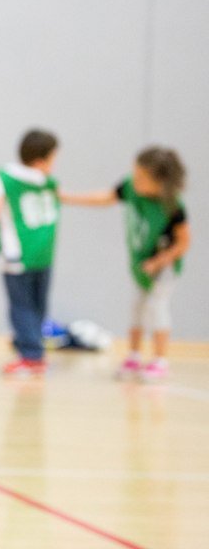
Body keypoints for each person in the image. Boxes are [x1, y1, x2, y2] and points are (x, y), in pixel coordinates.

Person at [61, 146, 189, 382]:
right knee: (136, 308)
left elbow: (183, 243)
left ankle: (160, 360)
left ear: (160, 182)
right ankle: (133, 355)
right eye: (135, 174)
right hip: (140, 263)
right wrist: (67, 197)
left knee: (157, 307)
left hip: (164, 266)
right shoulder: (131, 188)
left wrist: (158, 262)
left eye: (142, 178)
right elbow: (106, 198)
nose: (135, 180)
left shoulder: (173, 205)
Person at [0, 129, 61, 377]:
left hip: (18, 255)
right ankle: (33, 351)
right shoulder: (47, 181)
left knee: (22, 305)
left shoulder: (1, 176)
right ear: (41, 160)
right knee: (36, 305)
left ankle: (31, 354)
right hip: (39, 254)